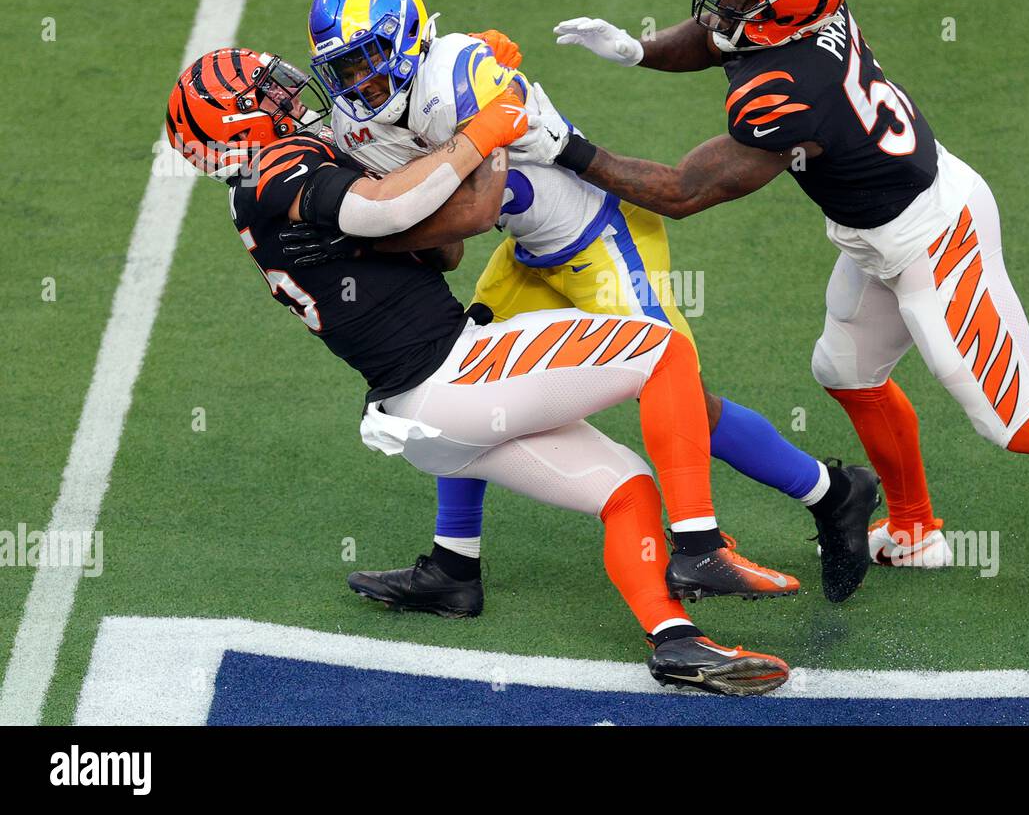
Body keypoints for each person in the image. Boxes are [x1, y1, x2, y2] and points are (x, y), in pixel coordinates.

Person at [522, 0, 1029, 574]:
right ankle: (915, 528)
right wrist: (636, 51)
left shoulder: (788, 90)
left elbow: (685, 190)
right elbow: (721, 34)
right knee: (846, 370)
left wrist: (568, 148)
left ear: (785, 18)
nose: (721, 5)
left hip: (935, 235)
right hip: (880, 227)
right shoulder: (810, 19)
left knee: (1014, 416)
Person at [164, 46, 794, 695]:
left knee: (628, 488)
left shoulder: (273, 187)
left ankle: (676, 644)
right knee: (662, 352)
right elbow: (384, 209)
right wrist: (483, 128)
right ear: (237, 123)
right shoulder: (280, 167)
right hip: (452, 375)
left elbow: (442, 247)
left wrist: (446, 143)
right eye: (269, 95)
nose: (292, 95)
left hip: (422, 417)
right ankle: (698, 548)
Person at [304, 0, 879, 607]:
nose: (361, 81)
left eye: (370, 58)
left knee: (679, 390)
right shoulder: (364, 120)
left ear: (409, 37)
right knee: (462, 372)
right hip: (531, 249)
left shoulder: (460, 74)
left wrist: (371, 228)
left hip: (599, 236)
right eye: (344, 69)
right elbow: (449, 248)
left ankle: (751, 526)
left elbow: (467, 218)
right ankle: (453, 566)